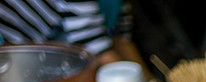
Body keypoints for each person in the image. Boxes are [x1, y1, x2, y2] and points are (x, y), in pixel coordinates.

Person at [0, 0, 141, 65]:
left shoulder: (119, 4)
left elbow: (121, 40)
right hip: (15, 51)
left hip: (60, 40)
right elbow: (99, 51)